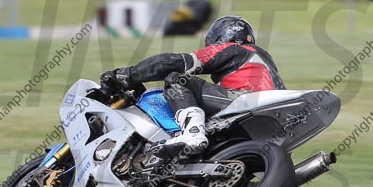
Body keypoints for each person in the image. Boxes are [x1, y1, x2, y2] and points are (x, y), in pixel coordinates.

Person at [101, 15, 285, 156]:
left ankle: (193, 132)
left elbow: (175, 62)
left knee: (176, 78)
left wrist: (127, 75)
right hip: (274, 120)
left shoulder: (233, 49)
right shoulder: (265, 61)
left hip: (246, 101)